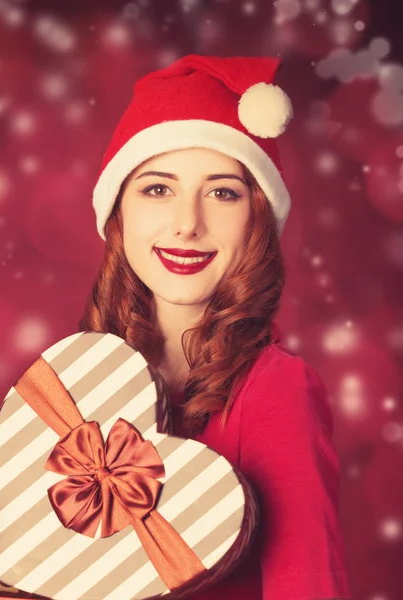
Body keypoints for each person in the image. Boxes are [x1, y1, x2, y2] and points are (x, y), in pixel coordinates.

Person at [79, 55, 352, 599]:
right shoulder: (81, 383)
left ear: (256, 216)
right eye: (158, 189)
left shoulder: (275, 391)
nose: (187, 223)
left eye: (222, 192)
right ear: (119, 213)